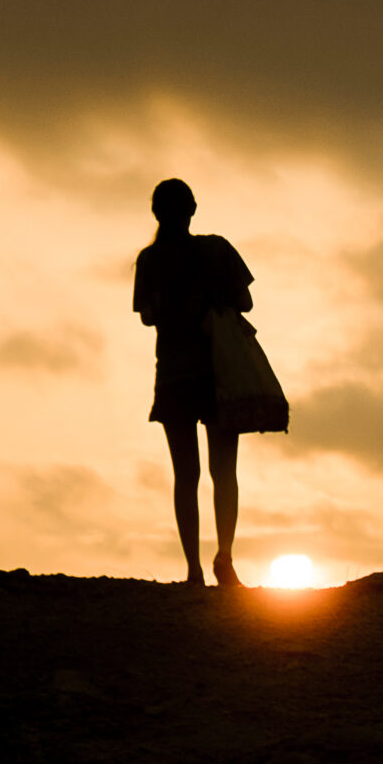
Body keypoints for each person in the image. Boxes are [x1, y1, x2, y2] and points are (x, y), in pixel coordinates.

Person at [133, 178, 256, 587]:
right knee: (225, 471)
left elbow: (148, 316)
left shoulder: (149, 260)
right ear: (193, 209)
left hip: (174, 372)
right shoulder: (217, 250)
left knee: (185, 476)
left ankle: (193, 569)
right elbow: (247, 302)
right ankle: (225, 557)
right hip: (220, 369)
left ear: (156, 213)